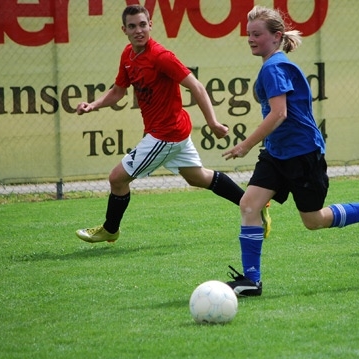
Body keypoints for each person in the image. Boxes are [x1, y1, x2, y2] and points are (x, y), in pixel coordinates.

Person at [221, 5, 359, 297]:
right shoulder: (272, 65)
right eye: (248, 34)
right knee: (249, 205)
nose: (251, 39)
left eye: (257, 34)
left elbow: (279, 114)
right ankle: (251, 280)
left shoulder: (274, 67)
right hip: (277, 153)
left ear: (277, 37)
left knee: (313, 220)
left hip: (301, 154)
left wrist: (246, 144)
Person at [74, 5, 271, 243]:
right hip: (172, 131)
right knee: (198, 177)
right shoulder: (128, 55)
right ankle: (255, 204)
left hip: (166, 134)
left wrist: (212, 122)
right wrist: (93, 105)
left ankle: (110, 229)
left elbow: (196, 86)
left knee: (117, 178)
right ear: (124, 29)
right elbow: (118, 91)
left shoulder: (161, 56)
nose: (138, 30)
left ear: (150, 25)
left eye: (143, 25)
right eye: (133, 26)